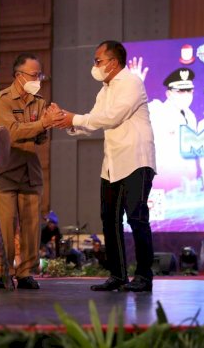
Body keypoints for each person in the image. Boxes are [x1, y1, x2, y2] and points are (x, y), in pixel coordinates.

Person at [54, 40, 156, 292]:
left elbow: (111, 117)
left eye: (98, 60)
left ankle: (144, 276)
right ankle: (118, 275)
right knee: (109, 219)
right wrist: (65, 121)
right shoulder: (104, 90)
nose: (95, 65)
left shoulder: (131, 82)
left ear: (113, 62)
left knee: (136, 217)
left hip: (135, 160)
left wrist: (74, 118)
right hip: (112, 163)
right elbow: (92, 120)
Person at [0, 53, 64, 290]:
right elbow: (10, 133)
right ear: (19, 76)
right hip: (6, 170)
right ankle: (3, 271)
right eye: (34, 75)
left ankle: (25, 273)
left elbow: (40, 137)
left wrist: (49, 122)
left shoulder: (39, 100)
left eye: (40, 75)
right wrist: (41, 124)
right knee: (4, 224)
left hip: (31, 170)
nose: (38, 79)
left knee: (32, 226)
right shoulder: (2, 100)